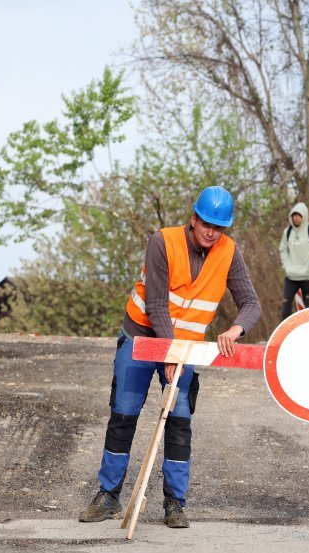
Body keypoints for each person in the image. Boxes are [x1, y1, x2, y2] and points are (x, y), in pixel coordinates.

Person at [79, 186, 261, 528]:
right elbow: (157, 305)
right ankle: (108, 495)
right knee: (123, 415)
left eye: (218, 227)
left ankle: (174, 503)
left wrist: (236, 329)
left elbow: (251, 304)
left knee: (179, 421)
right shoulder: (161, 242)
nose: (211, 231)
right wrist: (168, 353)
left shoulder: (229, 253)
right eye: (206, 223)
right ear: (193, 219)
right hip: (142, 338)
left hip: (185, 347)